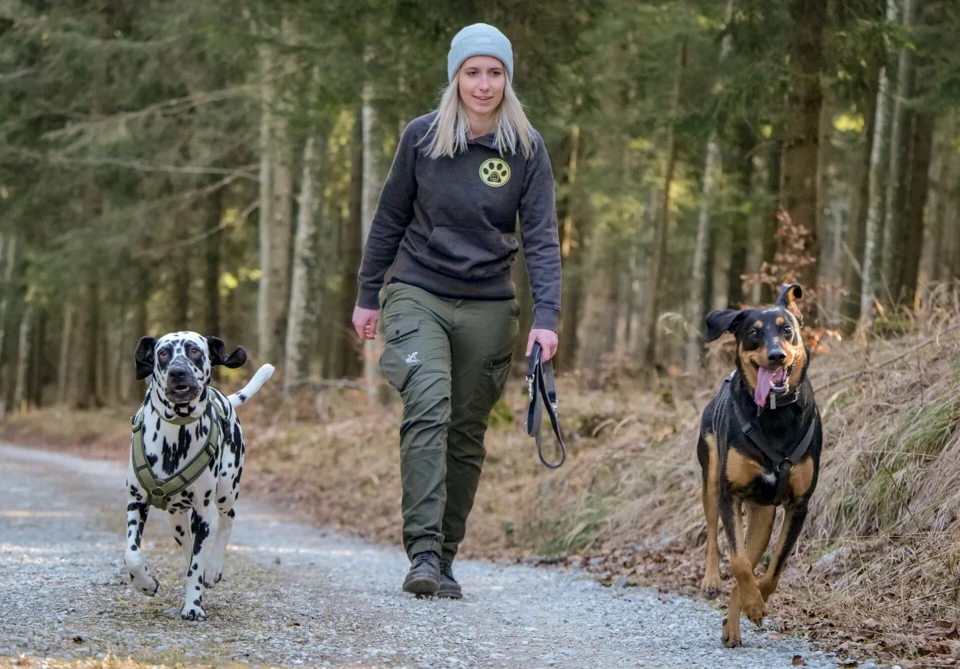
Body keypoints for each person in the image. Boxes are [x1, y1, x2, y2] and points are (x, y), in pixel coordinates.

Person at [351, 23, 562, 599]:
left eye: (495, 72)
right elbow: (389, 217)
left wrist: (547, 317)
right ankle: (421, 551)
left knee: (466, 432)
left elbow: (541, 237)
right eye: (473, 72)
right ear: (456, 77)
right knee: (428, 405)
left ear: (508, 79)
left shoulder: (526, 147)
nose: (484, 84)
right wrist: (368, 294)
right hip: (417, 291)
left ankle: (443, 560)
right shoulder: (422, 136)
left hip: (489, 304)